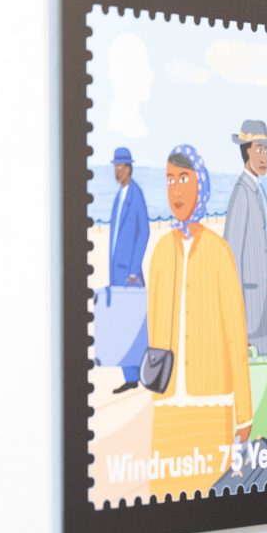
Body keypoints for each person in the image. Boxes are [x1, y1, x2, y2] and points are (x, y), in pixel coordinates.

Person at [146, 145, 252, 499]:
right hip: (168, 405)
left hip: (213, 405)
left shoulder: (219, 253)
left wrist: (244, 413)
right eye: (170, 180)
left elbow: (237, 338)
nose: (176, 190)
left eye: (184, 178)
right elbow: (154, 328)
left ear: (200, 184)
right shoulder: (161, 253)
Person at [224, 119, 267, 356]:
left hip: (265, 299)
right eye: (258, 149)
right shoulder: (242, 192)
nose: (263, 156)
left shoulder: (259, 189)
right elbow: (231, 256)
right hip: (249, 303)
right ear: (246, 152)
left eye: (265, 150)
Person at [107, 146, 151, 393]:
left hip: (130, 274)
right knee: (122, 326)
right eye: (115, 166)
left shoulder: (136, 195)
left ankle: (143, 373)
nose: (117, 170)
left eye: (121, 166)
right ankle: (131, 376)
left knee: (136, 324)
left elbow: (143, 232)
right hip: (117, 273)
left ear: (129, 168)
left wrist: (134, 268)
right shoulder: (118, 196)